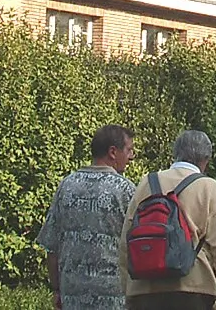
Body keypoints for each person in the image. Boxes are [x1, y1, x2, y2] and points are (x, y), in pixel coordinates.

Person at [121, 130, 216, 310]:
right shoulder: (209, 187)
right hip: (194, 290)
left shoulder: (146, 183)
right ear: (205, 160)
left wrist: (128, 293)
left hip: (145, 289)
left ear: (176, 154)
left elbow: (125, 244)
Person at [38, 124, 138, 310]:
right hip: (115, 298)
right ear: (113, 152)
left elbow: (51, 247)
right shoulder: (126, 190)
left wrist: (57, 290)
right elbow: (138, 247)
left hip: (72, 296)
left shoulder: (67, 186)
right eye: (129, 150)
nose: (132, 156)